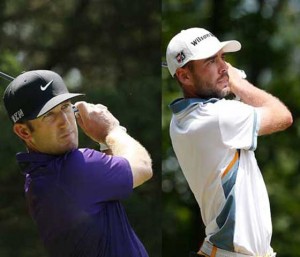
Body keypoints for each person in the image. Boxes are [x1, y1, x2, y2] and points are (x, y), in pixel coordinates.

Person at [165, 28, 293, 257]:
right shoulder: (218, 118)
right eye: (211, 61)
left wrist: (223, 78)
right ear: (184, 76)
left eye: (223, 58)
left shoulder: (182, 119)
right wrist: (236, 82)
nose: (224, 67)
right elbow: (282, 116)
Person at [3, 70, 153, 257]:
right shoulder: (72, 169)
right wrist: (112, 129)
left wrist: (105, 142)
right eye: (49, 115)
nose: (65, 122)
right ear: (24, 132)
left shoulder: (39, 177)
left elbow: (104, 183)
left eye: (65, 107)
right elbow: (143, 166)